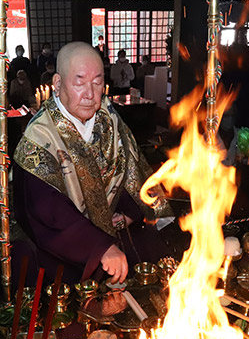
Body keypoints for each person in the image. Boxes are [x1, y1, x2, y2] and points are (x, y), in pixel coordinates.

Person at [12, 41, 173, 285]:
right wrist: (99, 247)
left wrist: (131, 211)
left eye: (97, 82)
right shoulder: (39, 138)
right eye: (79, 82)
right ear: (57, 84)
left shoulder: (107, 118)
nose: (90, 94)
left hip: (110, 234)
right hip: (59, 250)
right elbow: (48, 213)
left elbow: (132, 167)